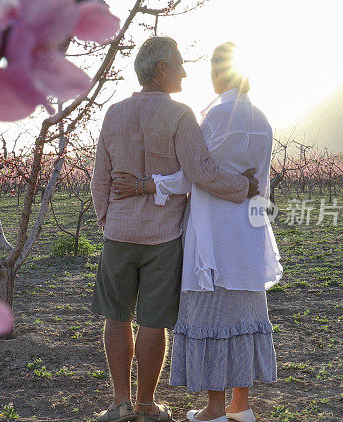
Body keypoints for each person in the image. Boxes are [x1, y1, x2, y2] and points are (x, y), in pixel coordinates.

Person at [90, 37, 259, 422]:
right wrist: (243, 187)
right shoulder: (180, 115)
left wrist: (108, 219)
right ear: (162, 69)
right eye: (180, 64)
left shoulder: (113, 114)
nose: (185, 71)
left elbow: (100, 179)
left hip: (118, 234)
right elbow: (201, 172)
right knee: (153, 322)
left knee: (116, 318)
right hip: (163, 238)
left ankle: (119, 404)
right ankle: (147, 406)